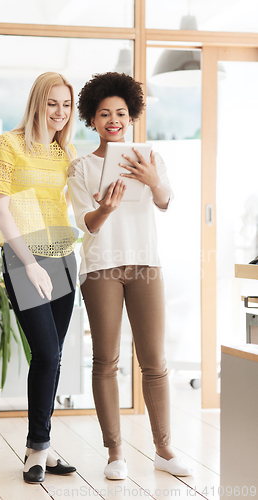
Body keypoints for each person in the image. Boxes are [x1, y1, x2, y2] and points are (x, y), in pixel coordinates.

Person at [67, 72, 193, 480]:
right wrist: (105, 207)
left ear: (132, 115)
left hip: (145, 264)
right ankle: (115, 453)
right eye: (104, 113)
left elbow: (165, 200)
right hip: (101, 267)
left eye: (120, 112)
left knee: (155, 362)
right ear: (92, 119)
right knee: (105, 360)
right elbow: (86, 223)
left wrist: (153, 180)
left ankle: (164, 449)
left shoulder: (150, 158)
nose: (113, 119)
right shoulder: (82, 167)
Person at [0, 72, 78, 484]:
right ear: (37, 103)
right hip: (27, 260)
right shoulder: (8, 144)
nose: (60, 112)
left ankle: (40, 447)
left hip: (63, 258)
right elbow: (1, 210)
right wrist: (31, 263)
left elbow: (77, 206)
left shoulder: (65, 152)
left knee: (51, 357)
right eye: (52, 103)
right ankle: (37, 450)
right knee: (46, 352)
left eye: (67, 105)